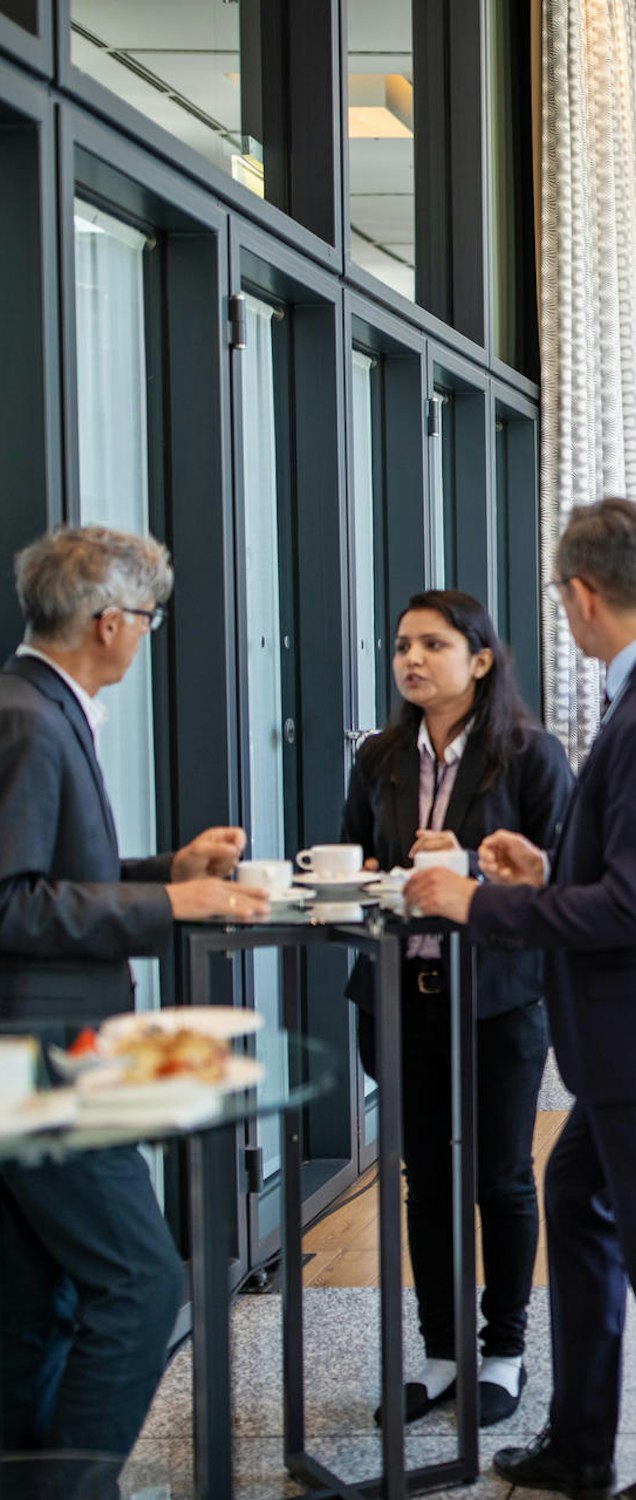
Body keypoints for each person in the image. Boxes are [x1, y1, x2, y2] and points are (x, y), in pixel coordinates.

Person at [405, 498, 636, 1500]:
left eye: (561, 597)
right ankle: (582, 1441)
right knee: (578, 1198)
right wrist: (549, 871)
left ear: (583, 595)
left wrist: (478, 902)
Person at [0, 526, 266, 1483]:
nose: (148, 637)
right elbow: (10, 903)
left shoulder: (37, 706)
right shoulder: (30, 720)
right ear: (109, 623)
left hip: (34, 1051)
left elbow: (54, 872)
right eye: (149, 620)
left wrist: (166, 871)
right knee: (143, 1284)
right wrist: (170, 907)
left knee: (37, 1301)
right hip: (41, 1053)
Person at [337, 589, 573, 1427]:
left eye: (432, 645)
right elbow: (358, 859)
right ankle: (441, 1353)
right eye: (403, 644)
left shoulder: (531, 756)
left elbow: (564, 872)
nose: (411, 659)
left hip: (498, 997)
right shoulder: (380, 758)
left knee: (500, 1176)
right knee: (426, 1180)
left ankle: (503, 1351)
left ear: (479, 660)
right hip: (400, 997)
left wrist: (467, 863)